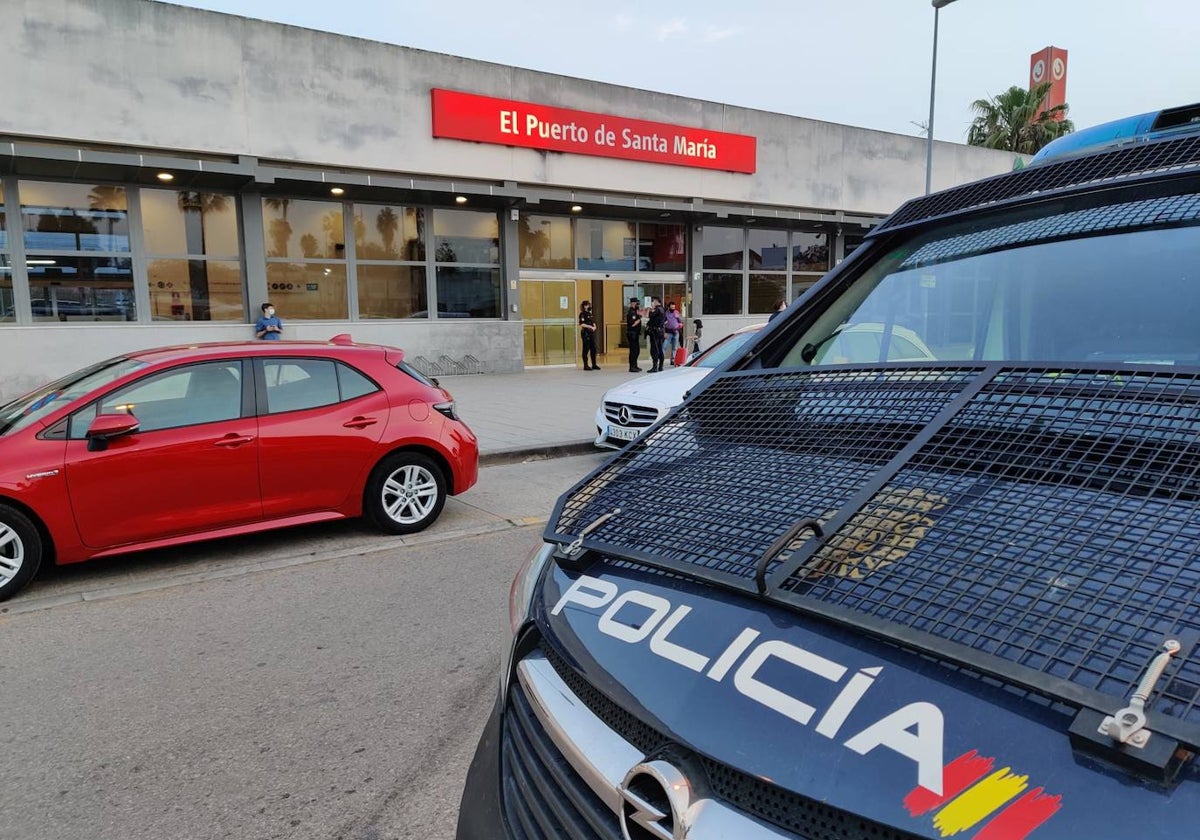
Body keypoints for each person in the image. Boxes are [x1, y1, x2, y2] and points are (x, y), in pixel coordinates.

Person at [646, 296, 666, 373]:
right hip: (660, 331)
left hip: (655, 332)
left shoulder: (658, 309)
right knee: (660, 349)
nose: (652, 302)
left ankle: (655, 367)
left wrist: (648, 309)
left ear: (657, 301)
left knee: (654, 350)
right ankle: (661, 366)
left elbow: (648, 315)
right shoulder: (663, 309)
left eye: (653, 301)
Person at [579, 300, 599, 370]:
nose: (589, 306)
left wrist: (594, 327)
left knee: (593, 349)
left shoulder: (590, 314)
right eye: (587, 305)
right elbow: (582, 324)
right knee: (586, 349)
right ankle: (586, 365)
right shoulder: (582, 314)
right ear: (584, 306)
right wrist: (590, 327)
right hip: (586, 333)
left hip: (591, 333)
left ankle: (594, 364)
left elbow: (593, 322)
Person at [625, 297, 643, 372]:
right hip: (632, 333)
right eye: (636, 303)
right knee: (633, 351)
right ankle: (632, 367)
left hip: (636, 333)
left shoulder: (635, 311)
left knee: (637, 350)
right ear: (633, 303)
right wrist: (640, 319)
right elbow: (633, 324)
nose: (637, 304)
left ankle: (635, 365)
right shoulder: (631, 312)